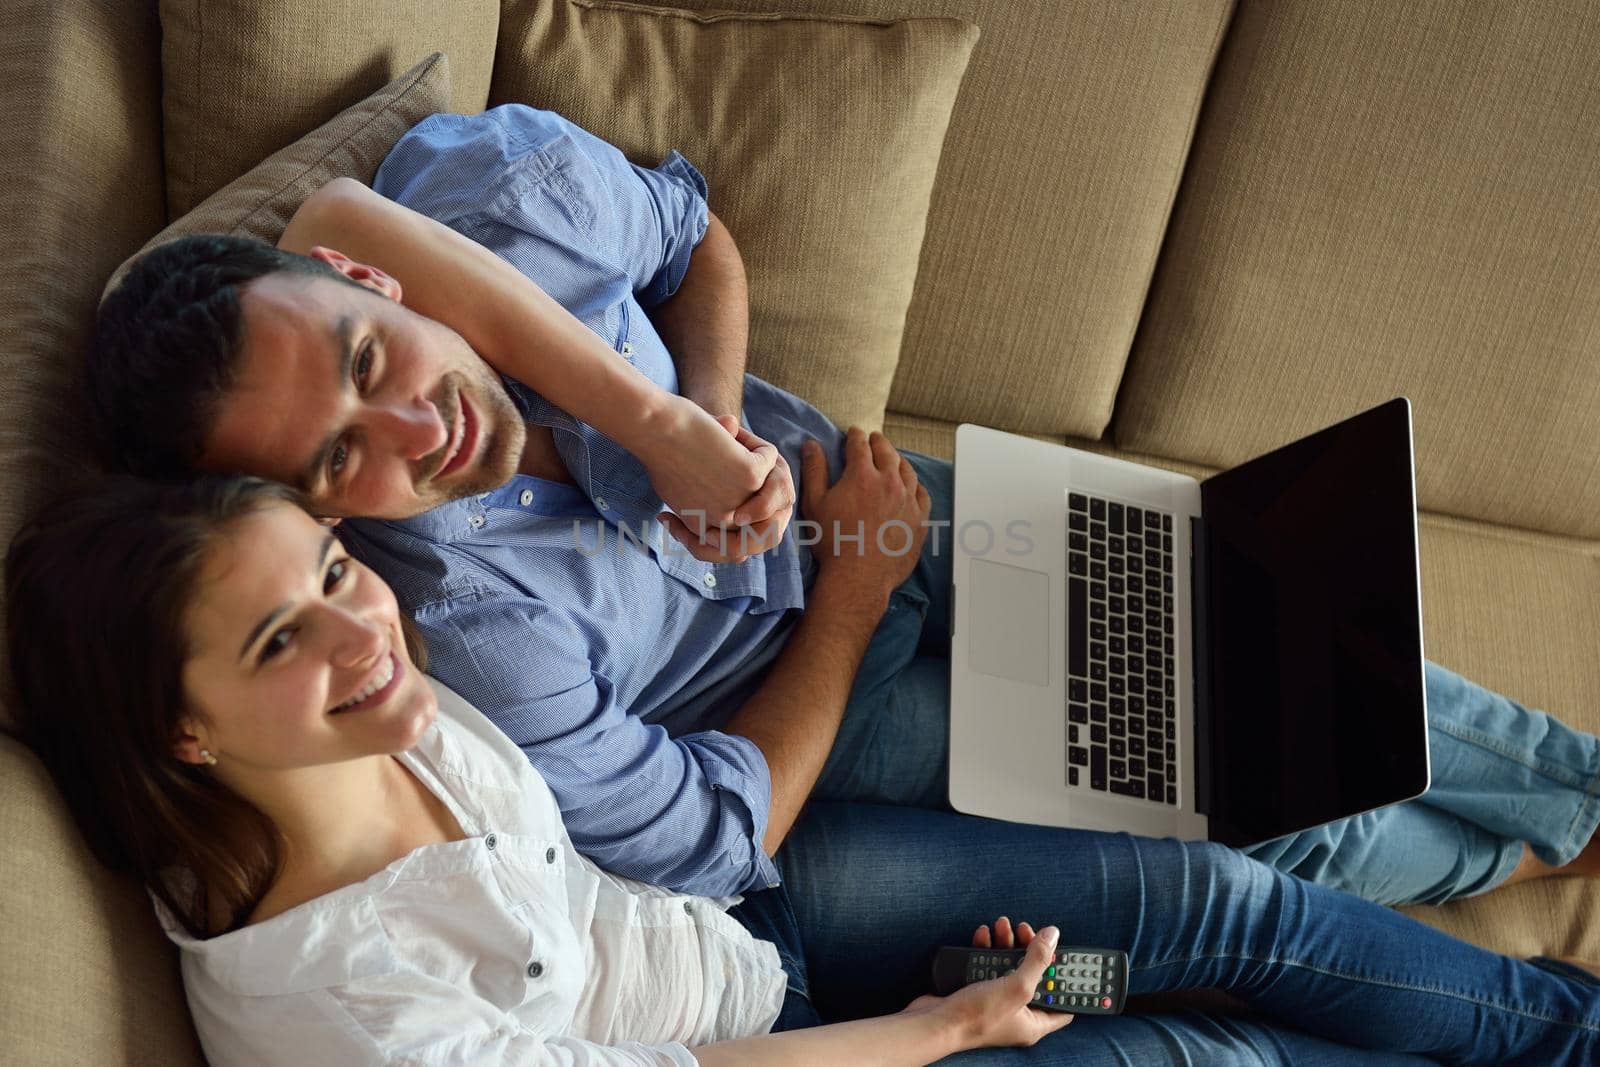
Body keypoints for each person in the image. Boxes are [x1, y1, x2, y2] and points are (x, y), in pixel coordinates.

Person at [87, 103, 1600, 916]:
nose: (420, 431)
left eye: (371, 361)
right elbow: (706, 832)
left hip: (871, 494)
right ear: (294, 515)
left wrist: (717, 418)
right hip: (815, 708)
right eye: (338, 462)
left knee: (1250, 620)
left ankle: (1576, 801)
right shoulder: (457, 637)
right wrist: (857, 590)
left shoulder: (496, 194)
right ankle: (1524, 855)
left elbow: (696, 239)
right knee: (1247, 812)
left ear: (367, 275)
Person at [8, 474, 1600, 1065]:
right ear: (183, 733)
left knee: (1218, 902)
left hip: (759, 933)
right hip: (810, 1051)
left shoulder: (401, 692)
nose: (359, 633)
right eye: (279, 639)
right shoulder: (347, 1016)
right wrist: (933, 1029)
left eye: (338, 572)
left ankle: (1560, 978)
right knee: (1196, 1045)